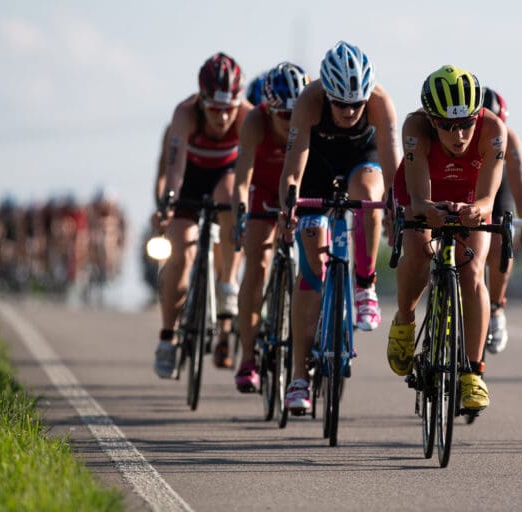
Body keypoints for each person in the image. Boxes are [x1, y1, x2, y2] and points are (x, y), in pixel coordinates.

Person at [278, 41, 400, 413]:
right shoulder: (309, 101)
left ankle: (365, 286)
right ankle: (299, 376)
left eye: (356, 104)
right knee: (312, 264)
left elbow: (393, 167)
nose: (349, 111)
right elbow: (294, 165)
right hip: (317, 164)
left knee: (369, 197)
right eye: (341, 104)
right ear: (327, 94)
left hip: (362, 159)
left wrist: (397, 210)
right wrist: (289, 206)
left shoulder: (379, 101)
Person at [386, 65, 507, 412]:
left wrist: (474, 210)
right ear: (432, 119)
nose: (459, 135)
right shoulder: (415, 127)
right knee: (419, 252)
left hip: (471, 196)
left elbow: (488, 198)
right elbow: (420, 199)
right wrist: (430, 209)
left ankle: (473, 373)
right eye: (448, 126)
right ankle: (405, 321)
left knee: (471, 271)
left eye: (467, 123)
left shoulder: (494, 129)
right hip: (423, 190)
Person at [152, 52, 253, 378]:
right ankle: (168, 335)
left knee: (230, 200)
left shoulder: (246, 117)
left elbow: (249, 176)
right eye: (214, 110)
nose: (223, 118)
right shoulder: (185, 113)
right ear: (201, 101)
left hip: (226, 176)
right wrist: (166, 206)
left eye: (229, 110)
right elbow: (174, 169)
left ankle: (226, 287)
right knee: (180, 254)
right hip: (190, 181)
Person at [230, 62, 310, 392]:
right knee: (257, 263)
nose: (292, 123)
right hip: (263, 193)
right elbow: (241, 180)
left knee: (312, 264)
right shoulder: (255, 121)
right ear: (270, 108)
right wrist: (240, 215)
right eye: (284, 116)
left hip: (302, 193)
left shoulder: (311, 119)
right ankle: (248, 358)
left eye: (297, 114)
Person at [480, 87, 522, 355]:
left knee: (500, 237)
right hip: (462, 182)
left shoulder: (509, 140)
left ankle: (495, 307)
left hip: (496, 190)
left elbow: (520, 185)